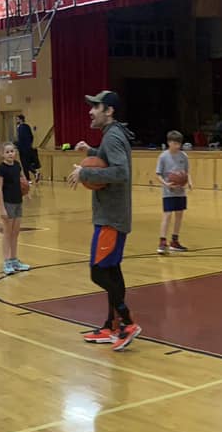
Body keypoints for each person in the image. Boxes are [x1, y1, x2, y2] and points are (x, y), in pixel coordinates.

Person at [70, 91, 139, 351]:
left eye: (95, 107)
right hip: (112, 214)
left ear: (108, 110)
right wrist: (91, 151)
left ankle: (127, 321)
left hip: (111, 217)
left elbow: (121, 171)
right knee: (111, 270)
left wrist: (85, 170)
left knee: (98, 271)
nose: (90, 111)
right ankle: (111, 325)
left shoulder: (113, 136)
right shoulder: (112, 135)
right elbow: (110, 159)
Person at [0, 141, 31, 274]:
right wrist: (1, 208)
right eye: (7, 152)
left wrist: (27, 192)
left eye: (12, 151)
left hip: (18, 202)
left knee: (15, 233)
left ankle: (14, 259)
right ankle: (6, 262)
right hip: (8, 203)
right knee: (7, 233)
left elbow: (22, 180)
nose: (10, 154)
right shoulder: (1, 168)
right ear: (3, 154)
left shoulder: (17, 165)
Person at [155, 130, 190, 255]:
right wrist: (166, 184)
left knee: (179, 215)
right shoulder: (163, 156)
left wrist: (189, 182)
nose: (177, 146)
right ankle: (162, 241)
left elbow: (186, 173)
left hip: (180, 191)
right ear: (169, 143)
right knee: (167, 215)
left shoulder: (183, 156)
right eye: (175, 143)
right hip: (168, 191)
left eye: (179, 143)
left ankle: (174, 241)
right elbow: (158, 174)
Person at [15, 114, 40, 180]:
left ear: (20, 120)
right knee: (27, 163)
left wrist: (16, 144)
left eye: (17, 119)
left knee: (24, 164)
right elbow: (31, 137)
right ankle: (34, 174)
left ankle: (30, 177)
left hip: (23, 149)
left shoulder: (20, 127)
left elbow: (21, 139)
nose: (16, 120)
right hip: (29, 148)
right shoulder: (27, 126)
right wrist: (29, 145)